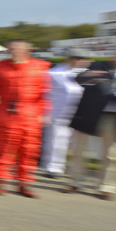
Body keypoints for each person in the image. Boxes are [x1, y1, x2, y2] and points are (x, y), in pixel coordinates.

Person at [0, 39, 50, 197]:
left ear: (27, 50)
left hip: (31, 113)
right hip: (6, 113)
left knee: (29, 149)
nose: (12, 51)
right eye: (10, 48)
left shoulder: (41, 67)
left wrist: (44, 113)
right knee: (3, 149)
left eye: (16, 49)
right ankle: (1, 182)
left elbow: (45, 93)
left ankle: (24, 183)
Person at [65, 50, 116, 199]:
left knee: (112, 156)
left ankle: (106, 187)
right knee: (79, 150)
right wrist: (93, 76)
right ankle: (76, 182)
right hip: (89, 114)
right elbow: (78, 79)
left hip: (113, 119)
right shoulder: (99, 65)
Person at [39, 49, 86, 177]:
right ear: (69, 58)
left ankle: (70, 168)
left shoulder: (81, 74)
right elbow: (44, 93)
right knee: (55, 141)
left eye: (80, 59)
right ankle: (52, 167)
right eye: (76, 58)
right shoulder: (52, 73)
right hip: (56, 113)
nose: (78, 61)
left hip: (76, 114)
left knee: (74, 143)